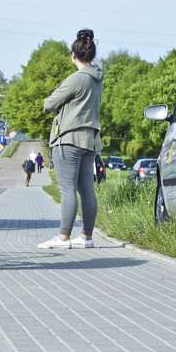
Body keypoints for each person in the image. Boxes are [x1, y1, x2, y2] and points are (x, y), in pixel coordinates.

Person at [38, 29, 103, 249]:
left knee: (67, 189)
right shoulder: (97, 79)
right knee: (87, 190)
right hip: (90, 139)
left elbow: (49, 104)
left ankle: (63, 237)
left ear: (73, 55)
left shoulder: (76, 79)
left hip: (69, 139)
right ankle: (86, 237)